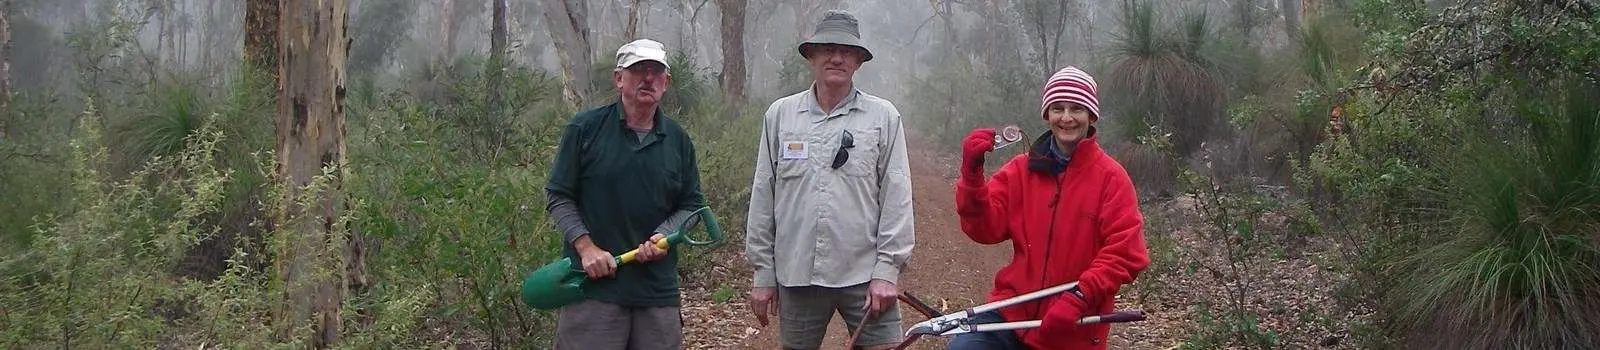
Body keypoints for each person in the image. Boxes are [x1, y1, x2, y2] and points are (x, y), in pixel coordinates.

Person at [744, 10, 916, 350]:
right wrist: (764, 272)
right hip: (797, 273)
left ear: (858, 61)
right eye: (827, 49)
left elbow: (897, 195)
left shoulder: (883, 117)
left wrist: (887, 271)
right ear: (811, 56)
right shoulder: (781, 115)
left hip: (865, 274)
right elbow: (764, 193)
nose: (836, 57)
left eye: (847, 51)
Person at [947, 67, 1150, 350]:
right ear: (1047, 115)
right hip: (1011, 316)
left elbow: (1126, 253)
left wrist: (1080, 297)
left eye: (1077, 109)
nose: (1066, 118)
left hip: (1075, 328)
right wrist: (972, 175)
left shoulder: (1111, 178)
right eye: (1058, 108)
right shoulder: (1020, 171)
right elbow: (983, 229)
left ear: (1091, 116)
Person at [545, 38, 706, 350]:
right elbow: (559, 195)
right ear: (619, 78)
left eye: (656, 72)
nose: (648, 78)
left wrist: (665, 235)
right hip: (593, 290)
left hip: (657, 294)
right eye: (638, 70)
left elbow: (692, 206)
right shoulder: (584, 129)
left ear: (666, 82)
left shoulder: (678, 141)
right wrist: (586, 248)